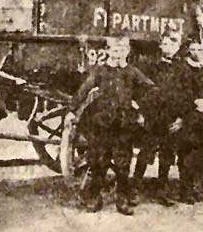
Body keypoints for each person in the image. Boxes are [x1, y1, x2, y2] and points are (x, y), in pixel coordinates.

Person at [66, 36, 154, 215]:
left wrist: (141, 109)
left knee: (123, 163)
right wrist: (71, 110)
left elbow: (151, 90)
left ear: (127, 52)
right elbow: (84, 90)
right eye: (114, 50)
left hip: (124, 123)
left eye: (122, 50)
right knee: (99, 160)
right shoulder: (100, 71)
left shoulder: (132, 72)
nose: (118, 54)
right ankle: (95, 197)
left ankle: (122, 200)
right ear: (107, 52)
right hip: (103, 123)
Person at [133, 29, 183, 207]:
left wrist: (181, 119)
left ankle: (162, 189)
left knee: (167, 154)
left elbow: (187, 95)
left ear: (178, 46)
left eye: (174, 43)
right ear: (161, 45)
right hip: (153, 116)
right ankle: (135, 189)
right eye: (166, 43)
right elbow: (141, 91)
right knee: (146, 151)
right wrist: (142, 113)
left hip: (172, 117)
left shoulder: (182, 68)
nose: (169, 47)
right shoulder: (150, 67)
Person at [170, 38, 203, 204]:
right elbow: (178, 93)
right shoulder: (182, 69)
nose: (197, 52)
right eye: (194, 49)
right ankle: (185, 189)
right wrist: (192, 103)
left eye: (201, 48)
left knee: (202, 152)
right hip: (188, 116)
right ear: (189, 50)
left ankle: (198, 186)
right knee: (187, 153)